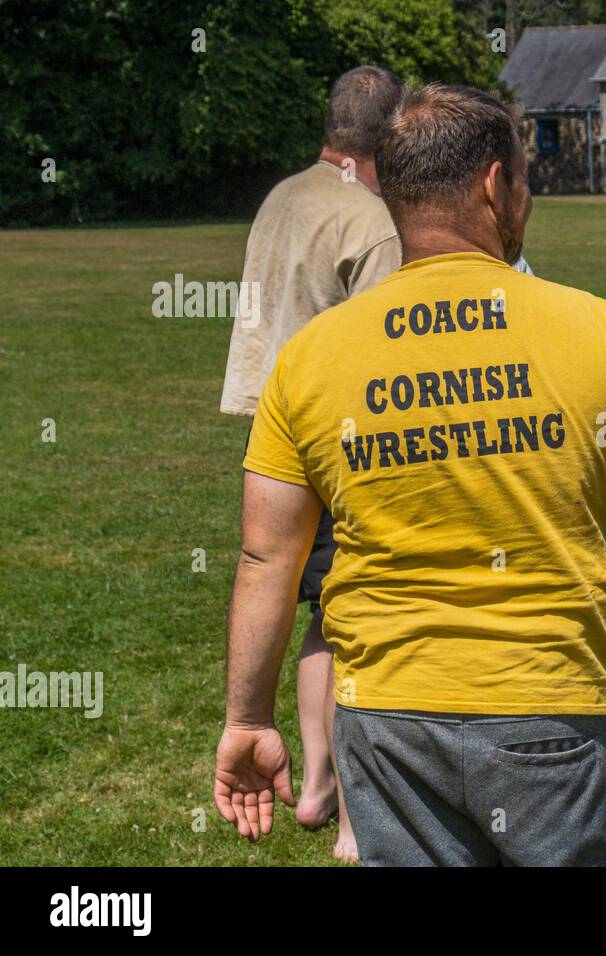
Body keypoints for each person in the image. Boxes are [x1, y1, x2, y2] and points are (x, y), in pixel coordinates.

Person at [213, 84, 606, 866]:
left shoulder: (308, 359)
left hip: (387, 715)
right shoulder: (601, 331)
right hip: (554, 708)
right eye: (524, 180)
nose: (528, 199)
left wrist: (248, 717)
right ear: (492, 186)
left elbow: (268, 555)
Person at [218, 65, 407, 862]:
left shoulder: (281, 195)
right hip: (343, 443)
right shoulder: (371, 218)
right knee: (362, 617)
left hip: (273, 434)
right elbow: (391, 349)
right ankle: (357, 815)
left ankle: (322, 786)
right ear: (389, 136)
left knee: (319, 613)